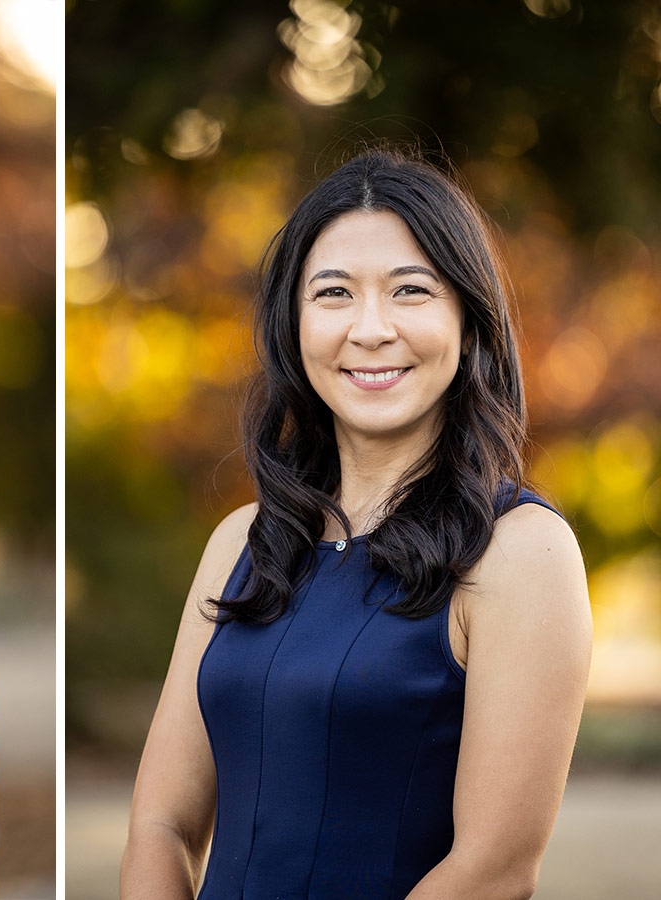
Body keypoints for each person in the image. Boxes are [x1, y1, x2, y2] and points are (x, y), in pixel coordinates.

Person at [120, 148, 591, 900]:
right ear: (293, 324)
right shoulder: (241, 543)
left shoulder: (521, 552)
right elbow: (161, 826)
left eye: (411, 291)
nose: (370, 330)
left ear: (468, 322)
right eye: (333, 293)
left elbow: (496, 869)